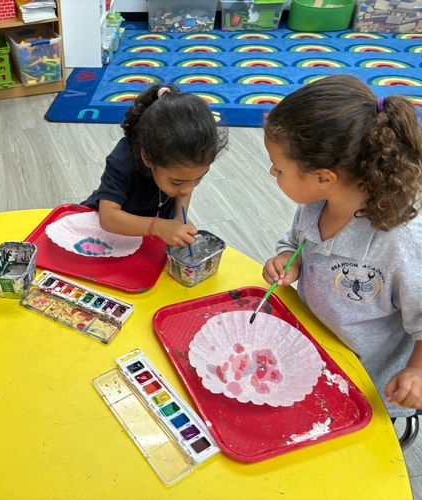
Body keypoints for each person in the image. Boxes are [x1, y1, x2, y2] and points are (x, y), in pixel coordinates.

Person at [262, 75, 422, 418]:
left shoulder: (400, 241)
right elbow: (294, 242)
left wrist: (417, 372)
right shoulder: (314, 204)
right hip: (312, 349)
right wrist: (288, 258)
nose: (272, 173)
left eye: (279, 168)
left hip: (365, 387)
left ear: (323, 177)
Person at [82, 84, 227, 247]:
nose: (187, 189)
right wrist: (157, 227)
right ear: (147, 158)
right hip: (107, 231)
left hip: (149, 232)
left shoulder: (183, 170)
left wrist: (179, 217)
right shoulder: (122, 162)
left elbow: (185, 184)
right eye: (176, 182)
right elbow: (108, 218)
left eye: (197, 178)